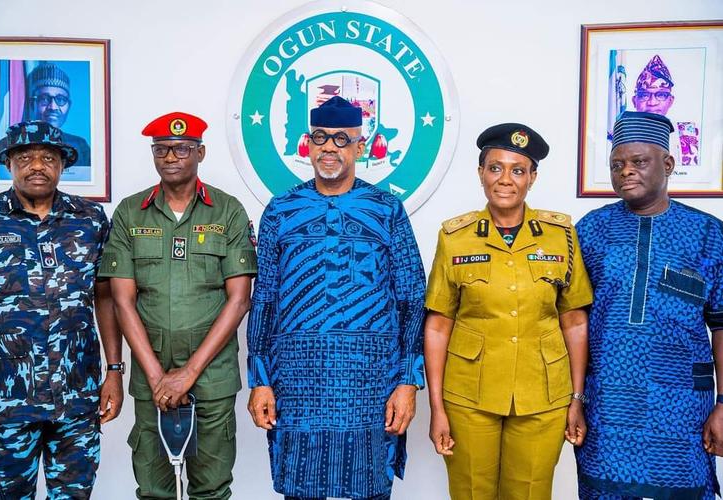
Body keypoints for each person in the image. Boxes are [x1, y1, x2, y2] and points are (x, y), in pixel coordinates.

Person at [247, 96, 426, 500]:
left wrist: (407, 382)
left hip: (370, 383)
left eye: (342, 139)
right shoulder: (280, 210)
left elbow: (413, 299)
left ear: (360, 148)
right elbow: (265, 300)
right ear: (307, 144)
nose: (330, 148)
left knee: (369, 488)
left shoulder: (386, 210)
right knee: (299, 488)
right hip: (297, 382)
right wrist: (260, 381)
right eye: (321, 138)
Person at [424, 123, 593, 499]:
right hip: (469, 396)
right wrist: (436, 407)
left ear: (532, 177)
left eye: (518, 170)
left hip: (543, 396)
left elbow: (575, 321)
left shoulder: (561, 235)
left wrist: (577, 399)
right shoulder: (454, 237)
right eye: (495, 167)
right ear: (481, 173)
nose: (505, 179)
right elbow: (438, 325)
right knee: (470, 492)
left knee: (531, 493)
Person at [98, 111, 256, 499]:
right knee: (153, 488)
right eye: (161, 149)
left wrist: (188, 373)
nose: (170, 157)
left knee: (212, 487)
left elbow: (239, 300)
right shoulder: (130, 212)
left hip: (213, 375)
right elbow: (122, 299)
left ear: (200, 152)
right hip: (149, 373)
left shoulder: (228, 211)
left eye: (181, 149)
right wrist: (156, 376)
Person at [575, 111, 723, 499]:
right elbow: (570, 320)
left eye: (639, 162)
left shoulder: (707, 233)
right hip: (607, 401)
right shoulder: (591, 229)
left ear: (668, 164)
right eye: (617, 164)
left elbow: (722, 325)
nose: (626, 171)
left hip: (680, 406)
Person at [0, 120, 123, 498]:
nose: (36, 165)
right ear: (8, 164)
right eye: (24, 157)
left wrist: (115, 371)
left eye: (47, 157)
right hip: (7, 401)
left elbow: (104, 297)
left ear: (63, 164)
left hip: (77, 398)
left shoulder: (89, 219)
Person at [27, 62, 91, 166]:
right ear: (32, 104)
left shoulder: (80, 146)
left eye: (61, 100)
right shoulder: (15, 144)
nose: (53, 107)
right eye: (44, 99)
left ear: (68, 106)